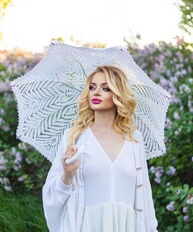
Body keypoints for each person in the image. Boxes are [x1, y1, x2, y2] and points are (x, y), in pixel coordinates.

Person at [42, 66, 158, 232]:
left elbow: (145, 195)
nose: (96, 93)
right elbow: (51, 196)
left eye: (105, 88)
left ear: (118, 94)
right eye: (92, 87)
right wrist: (67, 175)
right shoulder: (75, 138)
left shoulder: (134, 139)